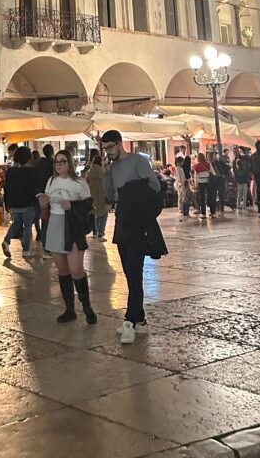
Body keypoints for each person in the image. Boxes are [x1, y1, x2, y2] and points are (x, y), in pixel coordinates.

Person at [101, 130, 165, 344]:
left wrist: (133, 192)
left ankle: (130, 321)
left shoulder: (137, 161)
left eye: (111, 147)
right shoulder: (113, 167)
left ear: (120, 144)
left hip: (137, 220)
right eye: (105, 149)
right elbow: (109, 196)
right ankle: (141, 321)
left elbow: (155, 187)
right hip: (122, 219)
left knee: (135, 271)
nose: (108, 152)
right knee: (129, 272)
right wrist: (106, 174)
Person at [37, 149, 96, 325]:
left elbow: (88, 205)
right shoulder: (51, 181)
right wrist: (43, 203)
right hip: (55, 223)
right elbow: (45, 205)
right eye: (57, 162)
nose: (60, 164)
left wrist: (72, 205)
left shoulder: (79, 182)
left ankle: (87, 307)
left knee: (76, 269)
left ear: (70, 163)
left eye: (63, 161)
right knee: (62, 269)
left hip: (72, 226)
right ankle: (69, 309)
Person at [2, 145, 38, 258]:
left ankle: (6, 241)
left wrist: (7, 203)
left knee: (17, 223)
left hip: (14, 204)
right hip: (27, 203)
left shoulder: (10, 171)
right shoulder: (31, 172)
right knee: (27, 226)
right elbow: (33, 188)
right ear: (28, 158)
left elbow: (6, 188)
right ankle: (26, 250)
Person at [85, 153, 109, 240]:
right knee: (104, 214)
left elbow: (86, 183)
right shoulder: (103, 171)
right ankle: (100, 233)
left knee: (95, 214)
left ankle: (95, 232)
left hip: (92, 196)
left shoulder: (90, 172)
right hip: (102, 195)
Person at [192, 152, 213, 219]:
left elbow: (195, 177)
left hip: (201, 183)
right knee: (210, 197)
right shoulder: (208, 164)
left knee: (202, 198)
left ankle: (203, 214)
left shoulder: (196, 166)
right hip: (208, 182)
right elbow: (213, 173)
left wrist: (196, 185)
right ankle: (212, 212)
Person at [233, 149, 252, 214]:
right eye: (235, 152)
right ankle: (242, 205)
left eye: (236, 151)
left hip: (241, 181)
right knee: (242, 194)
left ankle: (241, 205)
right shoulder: (235, 162)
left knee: (241, 194)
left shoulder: (243, 159)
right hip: (242, 181)